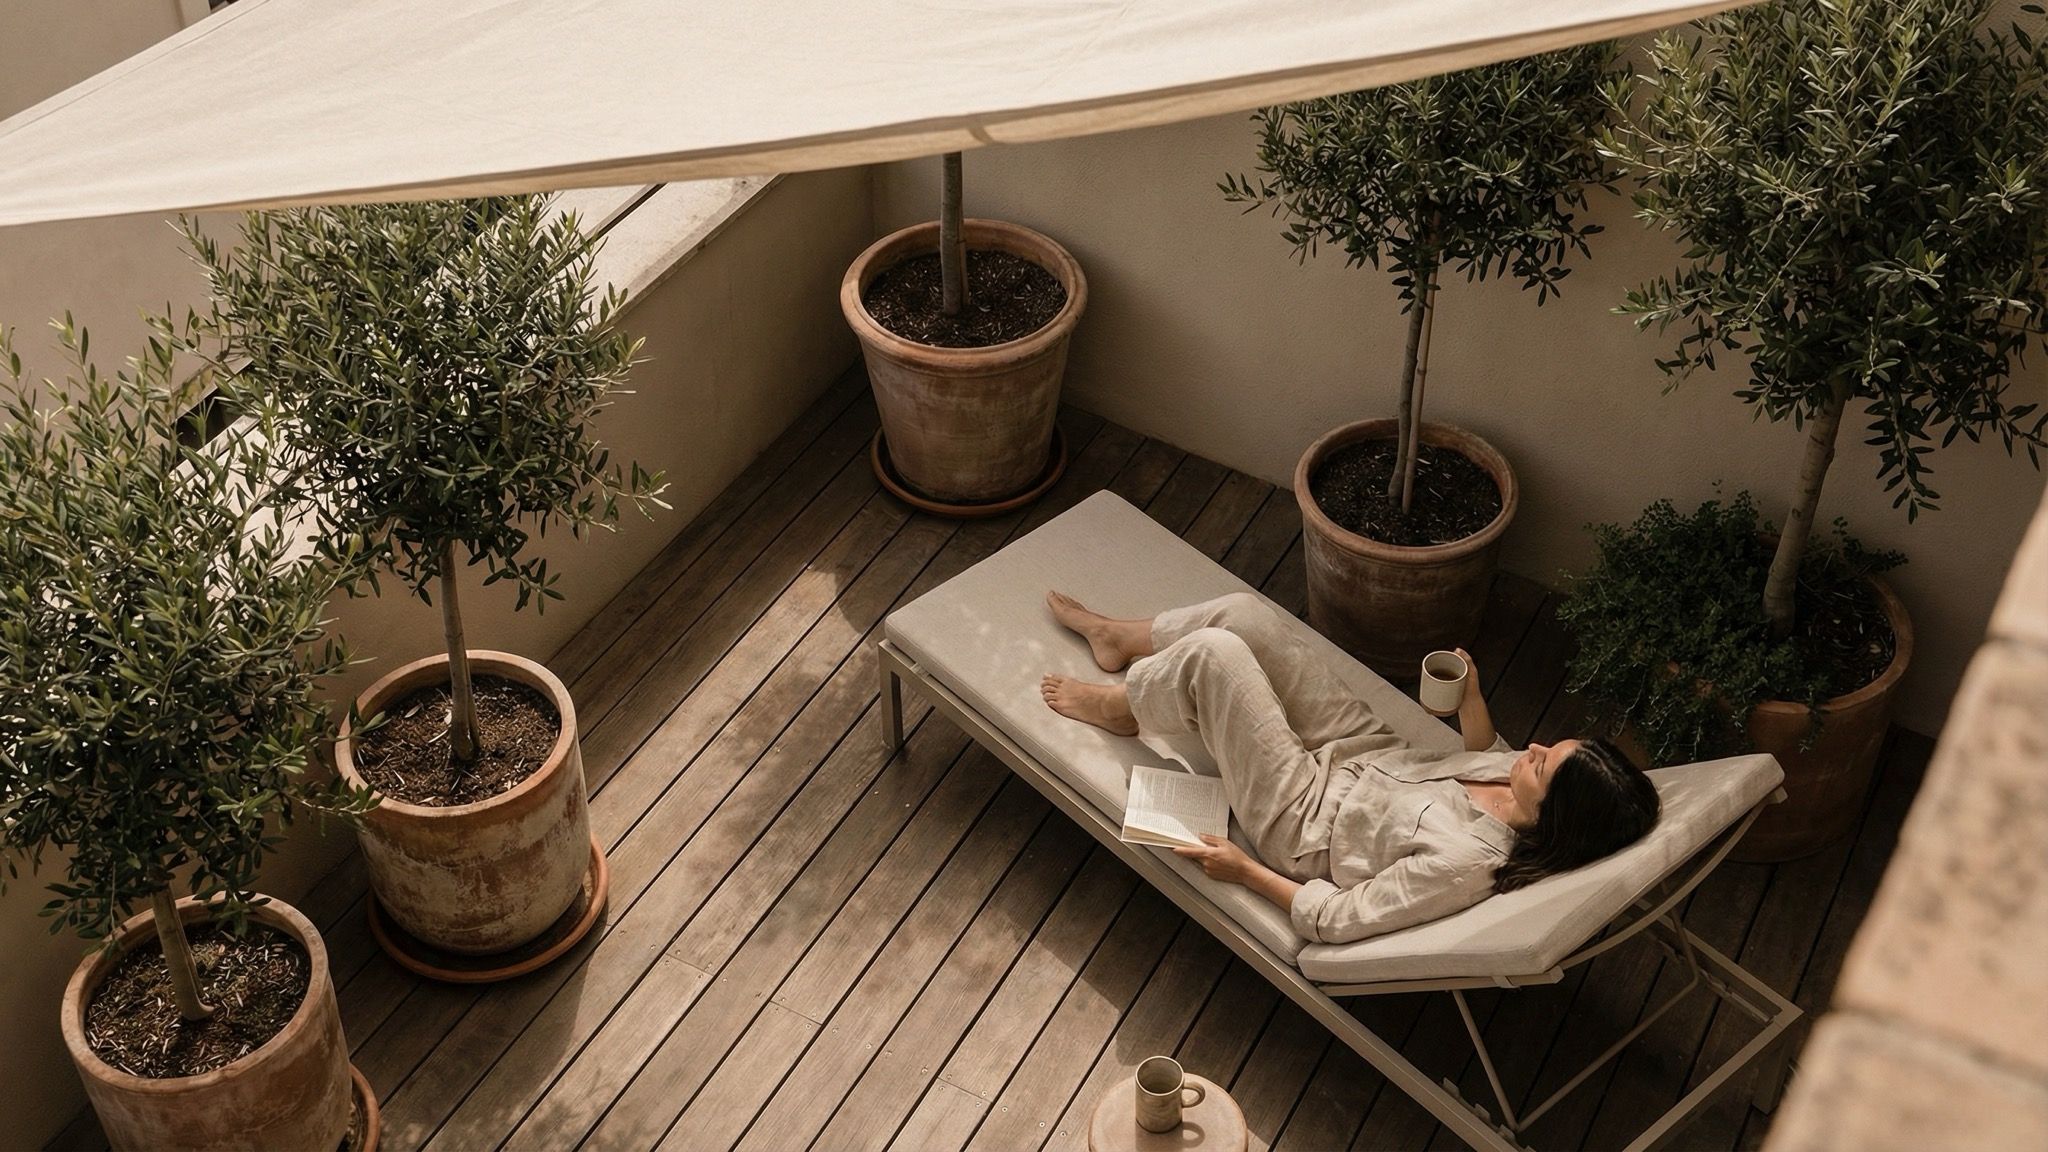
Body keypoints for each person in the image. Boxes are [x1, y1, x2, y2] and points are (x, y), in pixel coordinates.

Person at [1038, 591, 1659, 945]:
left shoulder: (1467, 865)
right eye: (1554, 746)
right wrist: (1471, 698)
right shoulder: (1515, 782)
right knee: (1244, 616)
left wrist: (1245, 870)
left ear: (1553, 815)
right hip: (1365, 752)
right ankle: (1119, 634)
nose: (1537, 748)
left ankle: (1121, 708)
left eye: (1546, 765)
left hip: (1305, 818)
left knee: (1215, 657)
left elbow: (1337, 919)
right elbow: (1495, 753)